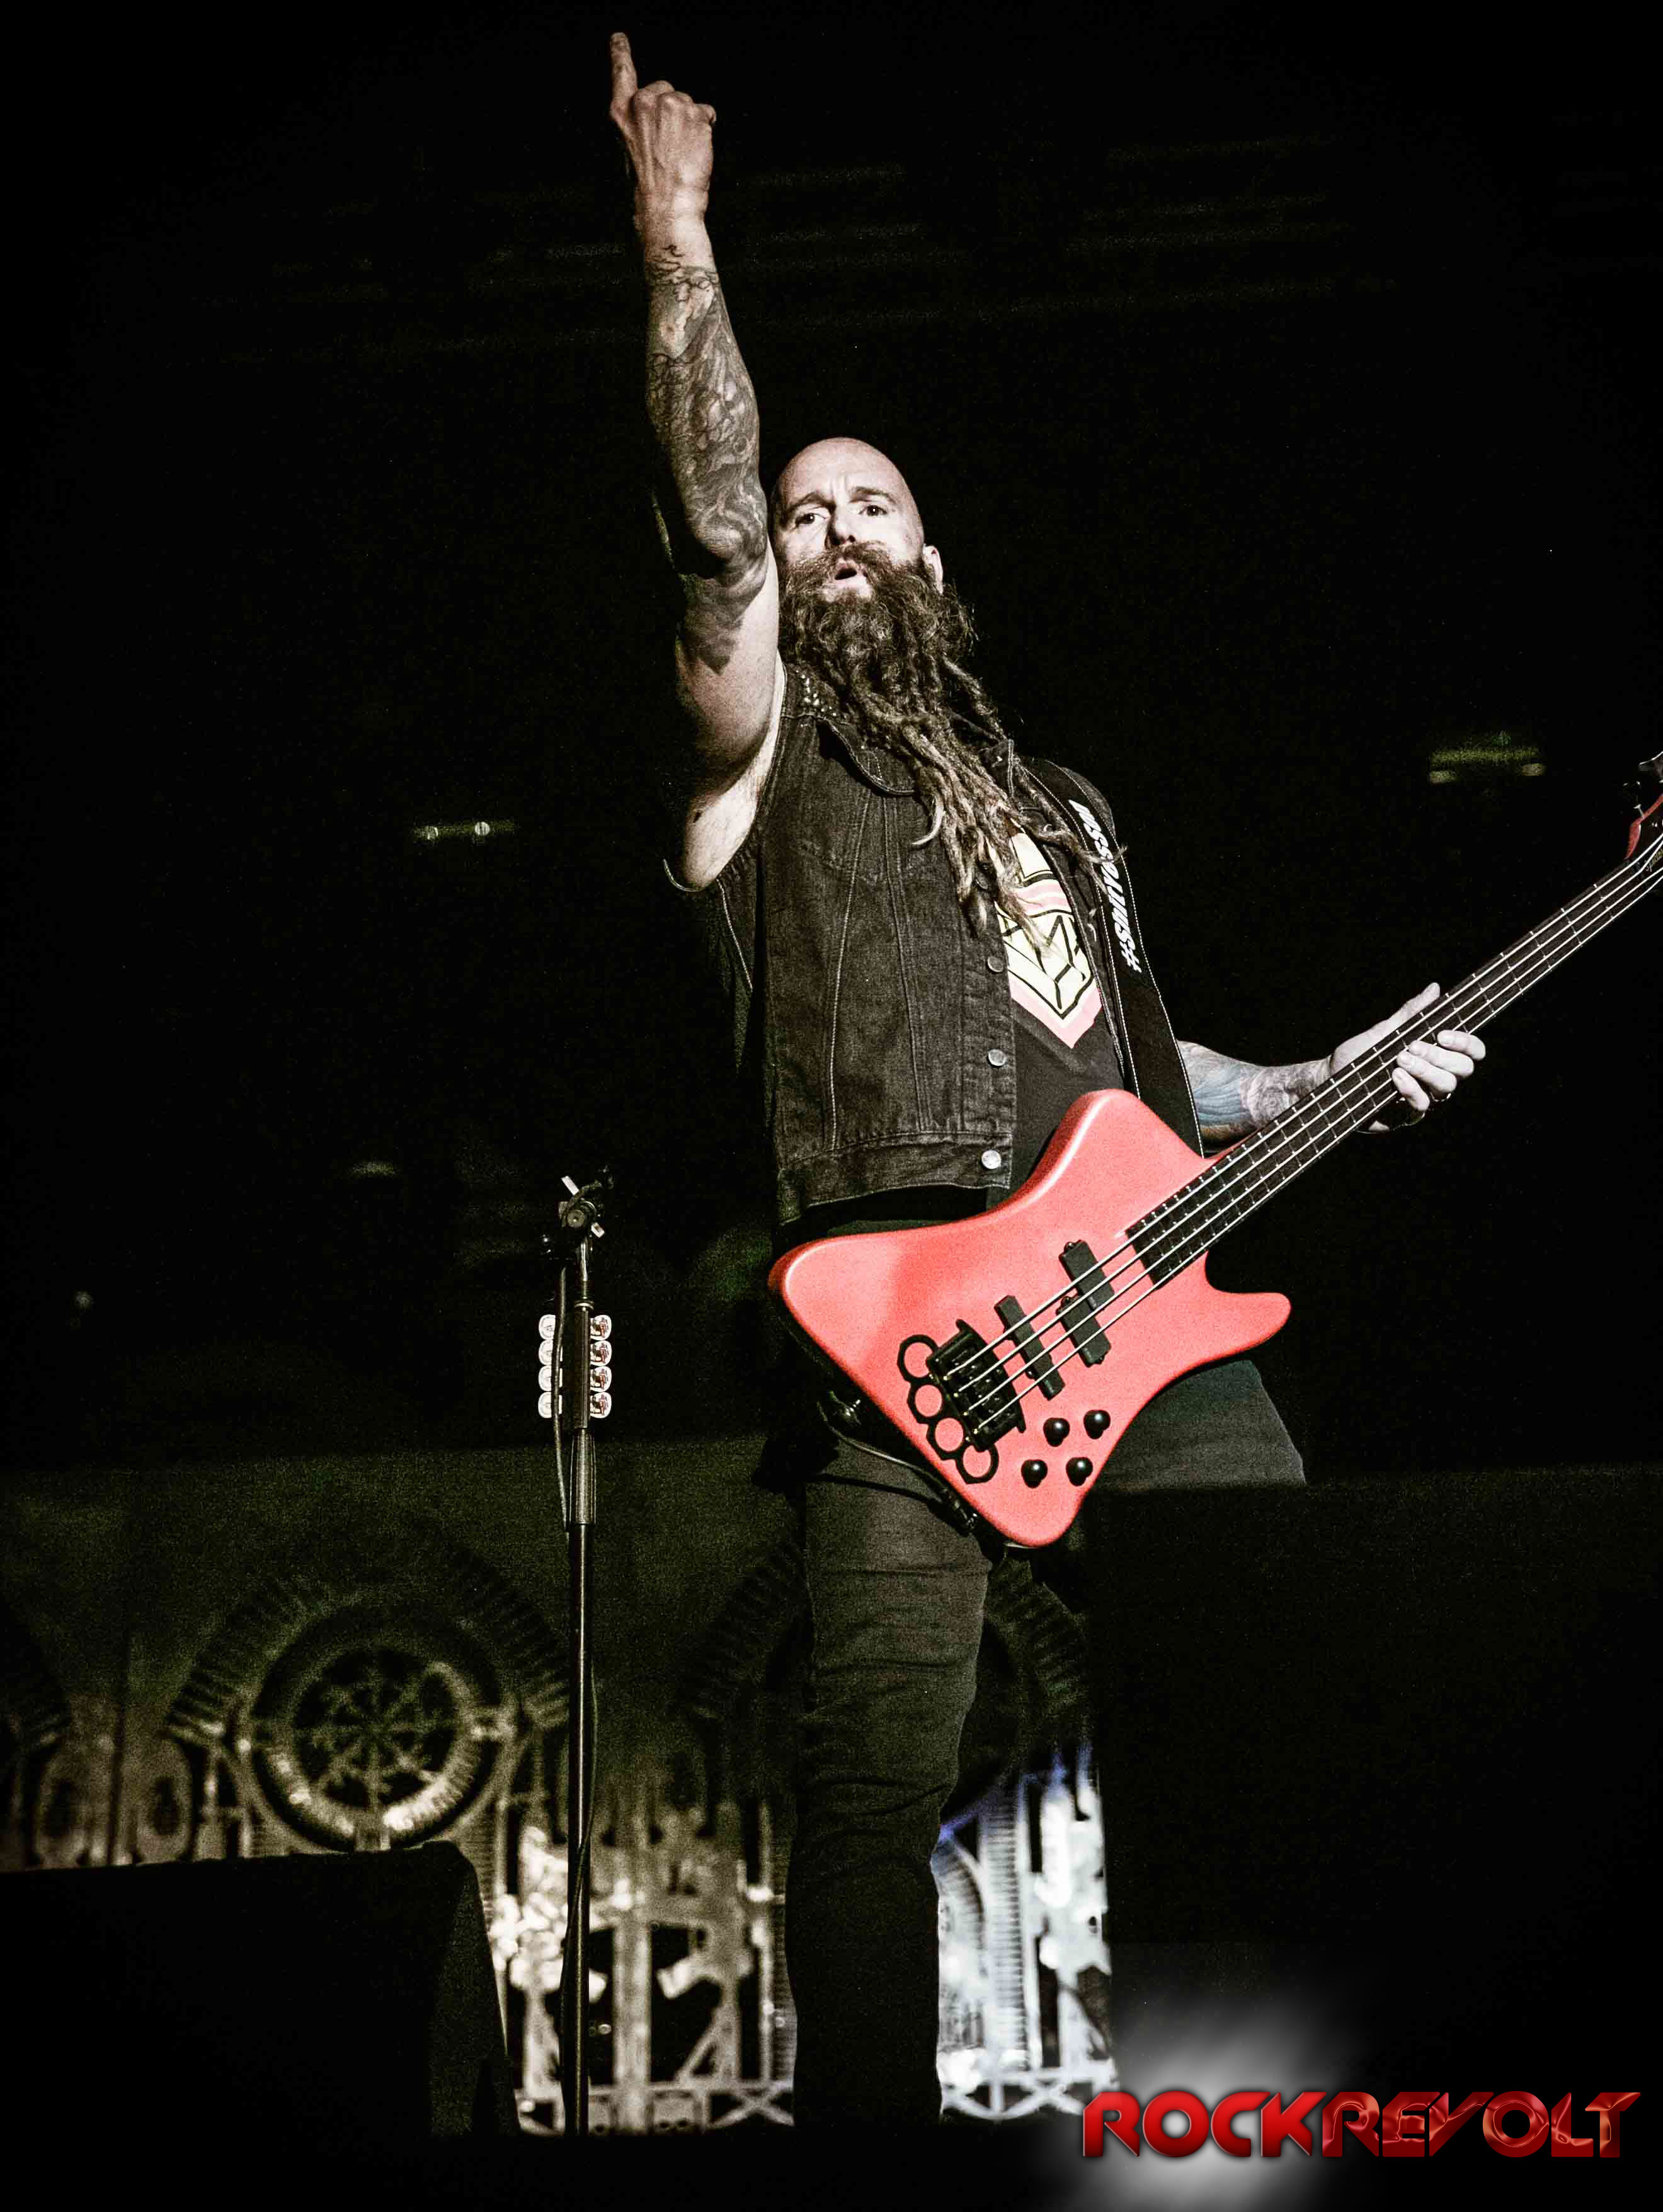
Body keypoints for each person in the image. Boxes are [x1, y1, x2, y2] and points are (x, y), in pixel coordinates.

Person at [607, 31, 1485, 2128]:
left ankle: (1287, 2106)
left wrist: (1325, 1079)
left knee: (1281, 1664)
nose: (829, 534)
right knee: (875, 1785)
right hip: (907, 1333)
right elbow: (710, 539)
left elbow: (1140, 1078)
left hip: (1141, 1308)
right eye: (807, 514)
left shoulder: (1069, 805)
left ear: (934, 559)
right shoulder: (755, 768)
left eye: (872, 509)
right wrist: (677, 245)